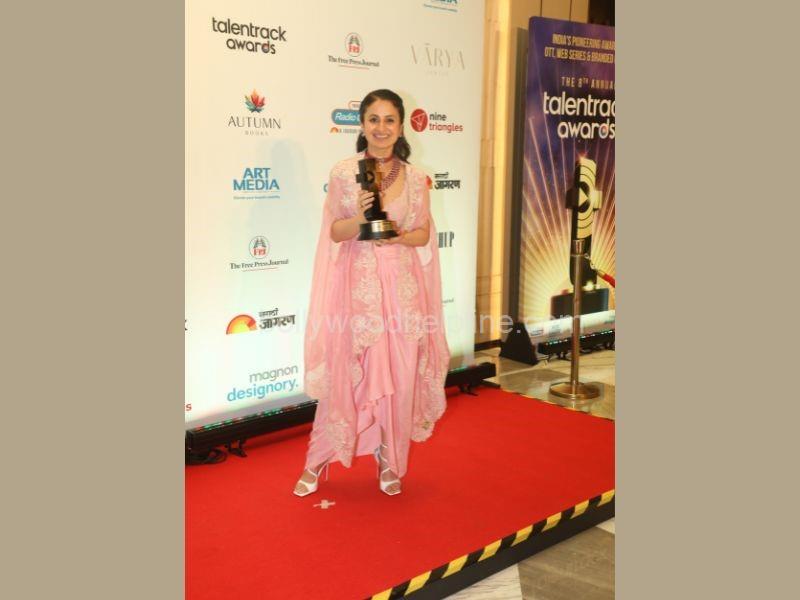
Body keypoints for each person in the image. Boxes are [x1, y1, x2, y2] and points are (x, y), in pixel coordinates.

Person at [294, 89, 450, 497]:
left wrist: (397, 237)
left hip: (402, 292)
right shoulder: (344, 172)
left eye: (389, 120)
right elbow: (334, 231)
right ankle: (318, 460)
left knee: (399, 378)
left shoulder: (415, 178)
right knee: (351, 375)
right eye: (374, 119)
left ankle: (389, 460)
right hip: (358, 291)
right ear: (362, 125)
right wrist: (363, 218)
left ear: (401, 126)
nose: (381, 128)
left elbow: (422, 235)